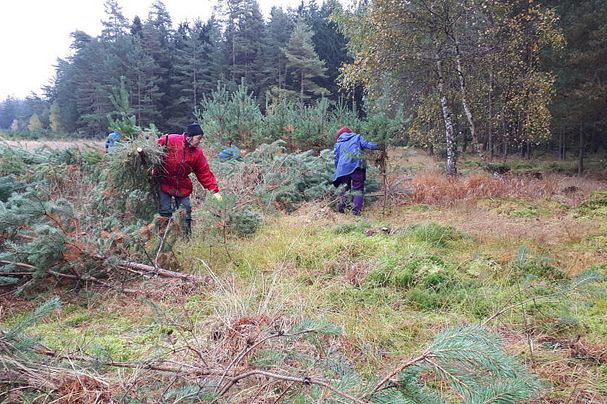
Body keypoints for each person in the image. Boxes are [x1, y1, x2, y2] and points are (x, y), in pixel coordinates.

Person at [156, 122, 222, 237]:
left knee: (185, 214)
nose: (200, 141)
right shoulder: (169, 140)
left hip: (182, 186)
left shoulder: (197, 153)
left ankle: (186, 239)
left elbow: (204, 172)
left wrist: (214, 191)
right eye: (199, 138)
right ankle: (163, 239)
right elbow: (153, 150)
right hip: (164, 182)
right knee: (165, 213)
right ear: (190, 136)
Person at [333, 127, 380, 215]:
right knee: (358, 189)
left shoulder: (338, 143)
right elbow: (368, 145)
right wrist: (380, 145)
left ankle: (342, 211)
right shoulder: (357, 137)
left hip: (342, 169)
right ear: (350, 132)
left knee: (344, 189)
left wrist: (338, 171)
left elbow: (336, 159)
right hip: (356, 167)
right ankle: (355, 212)